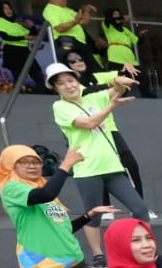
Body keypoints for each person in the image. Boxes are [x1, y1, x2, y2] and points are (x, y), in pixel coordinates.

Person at [49, 61, 149, 268]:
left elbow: (115, 91)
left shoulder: (93, 97)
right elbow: (88, 124)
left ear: (78, 81)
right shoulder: (60, 107)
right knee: (93, 215)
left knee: (140, 207)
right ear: (56, 89)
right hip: (87, 169)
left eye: (71, 80)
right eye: (61, 84)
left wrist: (118, 82)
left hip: (112, 166)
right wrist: (113, 105)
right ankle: (97, 255)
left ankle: (143, 248)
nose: (68, 86)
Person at [58, 49, 152, 223]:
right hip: (87, 132)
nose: (79, 61)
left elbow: (118, 78)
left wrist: (122, 73)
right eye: (73, 61)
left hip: (108, 129)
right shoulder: (75, 92)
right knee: (96, 170)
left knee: (128, 164)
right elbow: (91, 94)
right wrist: (111, 86)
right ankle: (106, 207)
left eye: (80, 57)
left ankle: (139, 205)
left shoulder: (96, 75)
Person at [41, 0, 100, 71]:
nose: (66, 0)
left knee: (92, 69)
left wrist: (87, 10)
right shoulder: (50, 10)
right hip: (66, 43)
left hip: (79, 44)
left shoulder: (67, 10)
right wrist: (75, 22)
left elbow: (84, 21)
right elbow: (59, 28)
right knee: (75, 70)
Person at [0, 1, 40, 91]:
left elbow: (32, 36)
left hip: (25, 51)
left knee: (37, 74)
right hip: (12, 51)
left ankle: (44, 97)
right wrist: (23, 37)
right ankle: (17, 100)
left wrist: (32, 27)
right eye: (5, 8)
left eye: (10, 8)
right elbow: (5, 37)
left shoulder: (17, 25)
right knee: (18, 78)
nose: (9, 10)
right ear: (1, 10)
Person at [101, 8, 143, 73]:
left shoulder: (125, 29)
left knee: (139, 76)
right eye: (115, 14)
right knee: (118, 77)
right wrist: (123, 17)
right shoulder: (107, 26)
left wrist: (140, 35)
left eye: (119, 14)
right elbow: (109, 20)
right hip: (115, 56)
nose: (117, 16)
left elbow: (138, 42)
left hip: (129, 57)